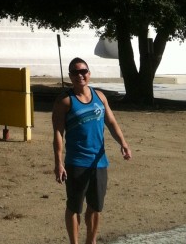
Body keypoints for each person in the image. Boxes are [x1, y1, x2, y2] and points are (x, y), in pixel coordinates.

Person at [52, 57, 132, 244]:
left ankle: (91, 241)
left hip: (99, 162)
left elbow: (111, 122)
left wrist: (123, 143)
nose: (80, 75)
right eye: (75, 72)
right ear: (70, 76)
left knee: (96, 207)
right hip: (77, 163)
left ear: (89, 73)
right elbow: (57, 133)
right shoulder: (65, 101)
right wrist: (59, 163)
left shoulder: (100, 96)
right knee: (74, 206)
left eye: (83, 71)